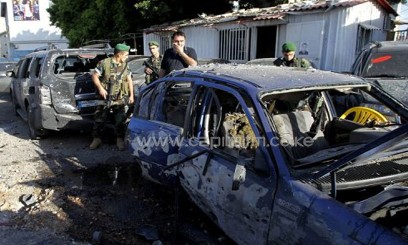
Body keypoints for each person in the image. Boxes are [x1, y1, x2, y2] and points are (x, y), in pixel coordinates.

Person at [89, 43, 134, 151]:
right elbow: (94, 76)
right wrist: (100, 88)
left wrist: (132, 95)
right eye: (126, 55)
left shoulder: (125, 65)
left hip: (120, 97)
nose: (127, 57)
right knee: (99, 118)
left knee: (120, 119)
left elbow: (129, 80)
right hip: (105, 97)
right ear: (119, 54)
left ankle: (119, 139)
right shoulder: (104, 63)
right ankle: (97, 139)